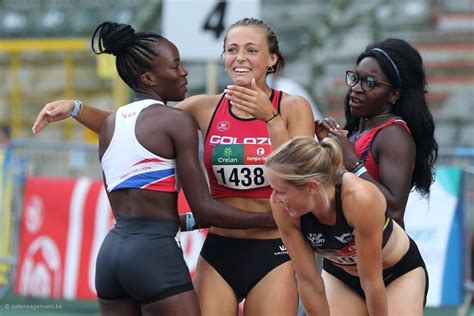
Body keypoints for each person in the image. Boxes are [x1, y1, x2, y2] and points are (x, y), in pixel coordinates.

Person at [33, 18, 315, 315]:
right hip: (220, 251)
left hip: (274, 248)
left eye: (251, 50)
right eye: (231, 50)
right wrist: (76, 109)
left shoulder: (293, 107)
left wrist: (270, 119)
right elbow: (137, 122)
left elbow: (300, 177)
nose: (240, 58)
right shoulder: (204, 107)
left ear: (272, 59)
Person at [265, 136, 428, 316]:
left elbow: (371, 282)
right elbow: (309, 281)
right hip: (341, 276)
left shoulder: (359, 197)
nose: (274, 199)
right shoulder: (282, 208)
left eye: (281, 191)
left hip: (396, 271)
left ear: (311, 187)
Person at [315, 38, 438, 228]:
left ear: (394, 95)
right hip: (349, 251)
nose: (355, 88)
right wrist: (329, 148)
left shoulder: (393, 135)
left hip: (383, 254)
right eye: (355, 78)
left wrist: (352, 162)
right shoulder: (358, 129)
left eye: (370, 83)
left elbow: (395, 210)